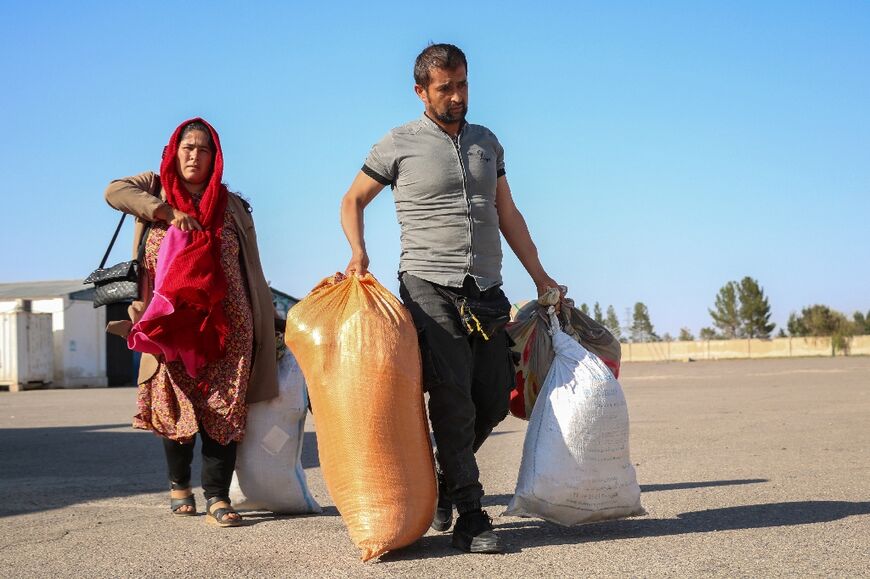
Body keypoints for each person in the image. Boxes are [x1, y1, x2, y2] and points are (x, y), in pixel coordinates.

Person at [340, 44, 561, 553]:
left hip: (485, 287)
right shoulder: (398, 144)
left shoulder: (487, 143)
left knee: (494, 395)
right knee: (452, 395)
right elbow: (352, 199)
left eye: (462, 84)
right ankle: (470, 513)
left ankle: (441, 485)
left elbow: (508, 214)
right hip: (427, 283)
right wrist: (358, 251)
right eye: (446, 87)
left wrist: (541, 276)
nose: (457, 95)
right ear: (421, 91)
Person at [104, 118, 281, 527]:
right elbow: (112, 191)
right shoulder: (154, 187)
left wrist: (268, 314)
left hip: (227, 323)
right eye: (187, 147)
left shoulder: (232, 204)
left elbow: (250, 266)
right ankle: (178, 484)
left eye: (203, 149)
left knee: (225, 406)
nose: (194, 155)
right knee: (175, 401)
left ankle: (218, 496)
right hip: (169, 321)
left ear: (215, 157)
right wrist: (168, 211)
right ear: (174, 150)